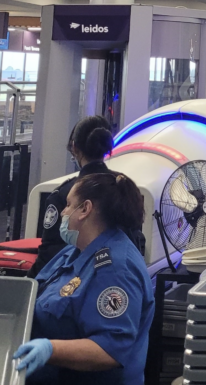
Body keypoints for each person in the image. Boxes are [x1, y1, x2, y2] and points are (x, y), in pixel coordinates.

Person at [13, 173, 155, 385]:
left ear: (85, 209)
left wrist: (51, 350)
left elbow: (110, 349)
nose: (63, 211)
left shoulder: (116, 269)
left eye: (69, 204)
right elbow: (35, 290)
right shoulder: (74, 252)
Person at [31, 116, 114, 278]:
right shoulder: (124, 189)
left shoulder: (64, 194)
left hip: (71, 285)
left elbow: (49, 254)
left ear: (74, 148)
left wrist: (28, 283)